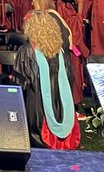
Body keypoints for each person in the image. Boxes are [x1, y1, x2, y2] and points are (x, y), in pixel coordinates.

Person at [14, 9, 79, 149]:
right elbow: (70, 77)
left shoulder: (27, 51)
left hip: (36, 103)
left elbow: (21, 83)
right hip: (60, 102)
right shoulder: (59, 51)